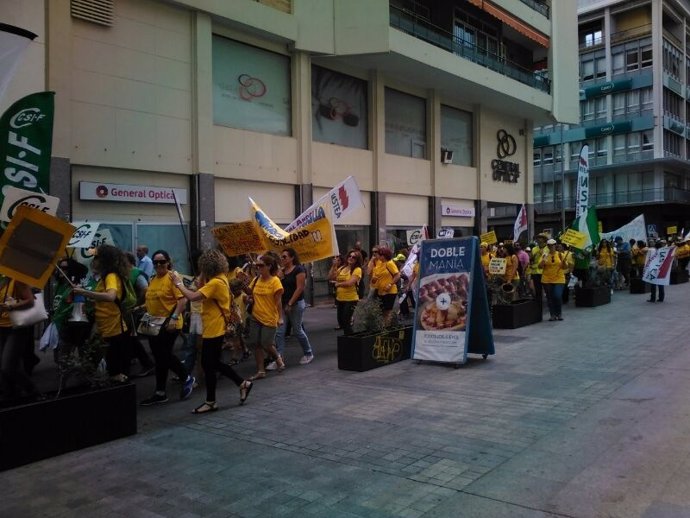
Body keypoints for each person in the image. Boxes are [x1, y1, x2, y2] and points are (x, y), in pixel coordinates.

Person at [171, 249, 253, 413]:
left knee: (210, 363)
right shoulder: (219, 278)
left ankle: (216, 398)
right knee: (210, 364)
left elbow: (193, 296)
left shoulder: (215, 283)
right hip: (213, 326)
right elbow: (201, 286)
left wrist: (178, 283)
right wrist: (203, 273)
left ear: (207, 266)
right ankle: (234, 388)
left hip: (214, 328)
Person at [139, 250, 195, 406]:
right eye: (155, 262)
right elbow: (153, 298)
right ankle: (160, 392)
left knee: (163, 355)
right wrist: (141, 307)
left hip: (169, 323)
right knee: (159, 358)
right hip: (152, 323)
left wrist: (174, 317)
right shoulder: (153, 279)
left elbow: (182, 300)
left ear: (168, 262)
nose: (158, 265)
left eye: (162, 262)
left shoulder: (173, 277)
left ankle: (186, 377)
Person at [73, 244, 132, 383]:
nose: (94, 260)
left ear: (105, 259)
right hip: (105, 326)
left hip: (112, 327)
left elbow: (110, 296)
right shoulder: (104, 276)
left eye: (97, 257)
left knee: (113, 366)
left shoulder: (110, 276)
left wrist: (84, 292)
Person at [244, 254, 285, 380]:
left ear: (269, 266)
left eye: (261, 266)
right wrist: (244, 291)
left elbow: (278, 301)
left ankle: (278, 358)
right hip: (256, 316)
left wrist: (280, 317)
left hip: (269, 317)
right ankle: (261, 370)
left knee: (266, 343)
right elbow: (249, 293)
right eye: (257, 266)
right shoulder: (256, 279)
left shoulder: (275, 281)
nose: (258, 268)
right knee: (255, 343)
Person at [0, 277, 41, 400]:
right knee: (7, 365)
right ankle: (9, 393)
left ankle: (32, 390)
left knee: (7, 366)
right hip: (1, 328)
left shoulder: (16, 280)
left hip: (16, 327)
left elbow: (30, 301)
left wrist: (10, 307)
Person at [274, 247, 313, 368]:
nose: (282, 258)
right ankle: (279, 358)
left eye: (285, 256)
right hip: (283, 303)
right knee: (280, 332)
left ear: (292, 257)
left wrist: (290, 303)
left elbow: (300, 288)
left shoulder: (299, 269)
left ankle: (308, 353)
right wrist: (279, 277)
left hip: (295, 304)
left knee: (297, 330)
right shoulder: (282, 271)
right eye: (281, 256)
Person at [329, 250, 362, 335]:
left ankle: (351, 342)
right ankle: (347, 340)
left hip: (351, 299)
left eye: (353, 257)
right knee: (341, 322)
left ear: (357, 260)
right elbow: (330, 277)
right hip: (340, 298)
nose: (351, 258)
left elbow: (350, 283)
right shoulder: (342, 268)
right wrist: (334, 265)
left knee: (346, 321)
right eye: (349, 256)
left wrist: (338, 284)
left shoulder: (357, 269)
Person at [539, 238, 567, 321]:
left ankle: (559, 313)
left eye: (553, 245)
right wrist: (543, 260)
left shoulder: (560, 255)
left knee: (557, 296)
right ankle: (552, 315)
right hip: (547, 279)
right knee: (550, 298)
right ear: (547, 246)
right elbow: (540, 267)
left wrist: (564, 261)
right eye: (549, 245)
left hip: (559, 278)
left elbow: (565, 267)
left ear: (555, 245)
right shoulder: (545, 255)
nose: (551, 247)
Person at [371, 246, 400, 325]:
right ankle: (386, 326)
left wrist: (390, 284)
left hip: (390, 291)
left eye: (381, 255)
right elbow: (376, 274)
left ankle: (387, 328)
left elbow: (397, 275)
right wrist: (374, 279)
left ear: (385, 255)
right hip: (381, 291)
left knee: (387, 311)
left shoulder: (389, 263)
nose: (379, 257)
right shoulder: (379, 263)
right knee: (382, 311)